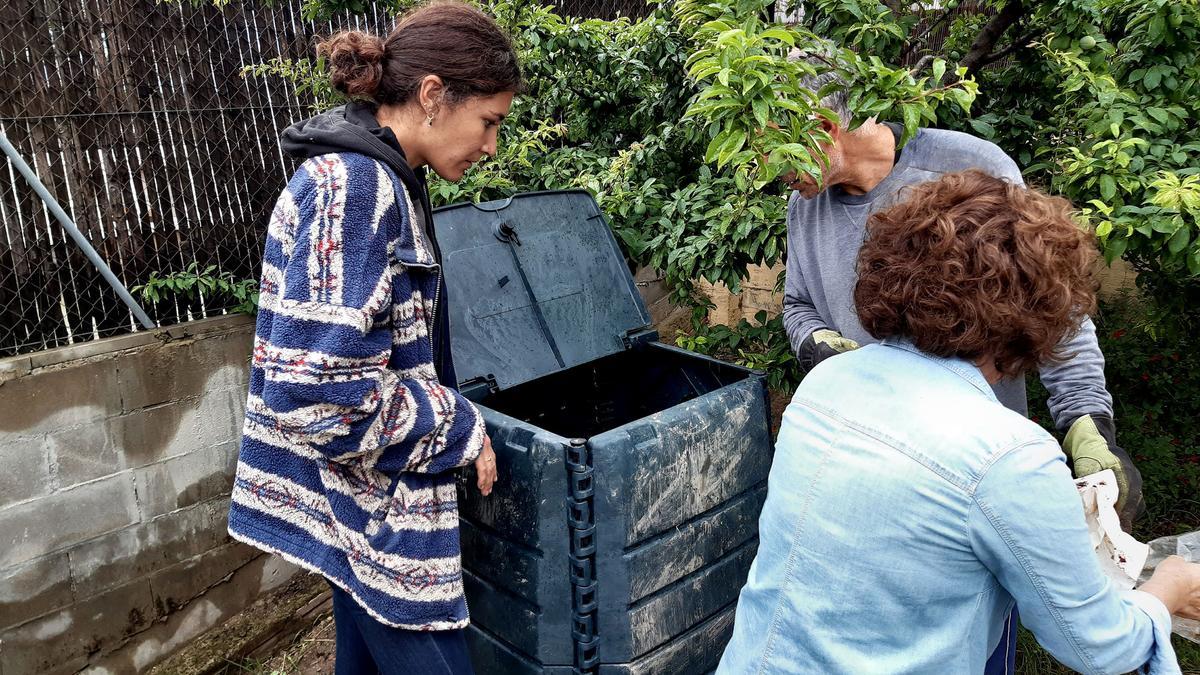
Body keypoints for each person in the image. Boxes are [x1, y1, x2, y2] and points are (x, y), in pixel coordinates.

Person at [718, 171, 1200, 674]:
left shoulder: (828, 382)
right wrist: (1170, 587)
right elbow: (1101, 648)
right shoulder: (1010, 457)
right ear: (1038, 314)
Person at [779, 54, 1142, 672]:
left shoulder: (965, 165)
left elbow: (1046, 293)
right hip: (878, 454)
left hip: (977, 460)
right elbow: (797, 304)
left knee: (968, 601)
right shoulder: (803, 204)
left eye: (762, 143)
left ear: (821, 122)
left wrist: (1086, 416)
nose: (764, 175)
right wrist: (819, 345)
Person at [226, 3, 522, 673]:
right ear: (432, 96)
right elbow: (316, 395)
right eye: (489, 123)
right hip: (376, 518)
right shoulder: (357, 188)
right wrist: (456, 422)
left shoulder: (379, 175)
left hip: (362, 509)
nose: (491, 147)